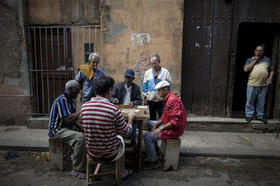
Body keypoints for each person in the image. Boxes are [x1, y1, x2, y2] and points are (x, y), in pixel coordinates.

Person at [80, 76, 135, 178]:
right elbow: (127, 132)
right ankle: (122, 172)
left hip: (91, 151)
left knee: (103, 137)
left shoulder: (84, 107)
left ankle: (97, 171)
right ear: (109, 90)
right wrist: (130, 119)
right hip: (109, 154)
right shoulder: (114, 109)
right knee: (121, 140)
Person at [143, 80, 186, 169]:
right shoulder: (168, 98)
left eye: (159, 90)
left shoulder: (172, 100)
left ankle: (153, 161)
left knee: (147, 136)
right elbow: (164, 115)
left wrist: (161, 129)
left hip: (173, 130)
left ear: (165, 89)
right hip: (168, 125)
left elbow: (175, 122)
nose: (157, 93)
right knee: (149, 123)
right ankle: (154, 149)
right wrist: (156, 125)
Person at [48, 80, 86, 179]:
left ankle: (79, 160)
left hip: (66, 127)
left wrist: (80, 126)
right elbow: (68, 118)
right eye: (76, 90)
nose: (78, 93)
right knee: (80, 138)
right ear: (69, 90)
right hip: (57, 130)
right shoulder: (62, 100)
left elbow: (73, 119)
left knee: (85, 131)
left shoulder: (69, 99)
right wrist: (81, 111)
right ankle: (77, 169)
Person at [244, 45, 274, 124]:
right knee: (250, 101)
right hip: (252, 84)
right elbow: (246, 69)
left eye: (260, 50)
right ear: (255, 51)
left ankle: (260, 116)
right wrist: (255, 61)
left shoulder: (267, 59)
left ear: (263, 52)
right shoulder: (250, 60)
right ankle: (249, 115)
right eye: (257, 50)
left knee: (261, 101)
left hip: (264, 85)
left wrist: (270, 78)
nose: (258, 52)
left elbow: (272, 69)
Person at [112, 69, 142, 145]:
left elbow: (139, 100)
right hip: (120, 109)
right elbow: (111, 97)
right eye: (126, 77)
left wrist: (133, 102)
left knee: (134, 121)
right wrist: (114, 99)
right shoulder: (118, 86)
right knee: (116, 122)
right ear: (124, 77)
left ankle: (133, 141)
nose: (128, 80)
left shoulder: (136, 88)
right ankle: (117, 140)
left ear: (133, 79)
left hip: (131, 108)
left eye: (130, 78)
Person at [143, 54, 172, 120]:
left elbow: (169, 85)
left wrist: (167, 97)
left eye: (155, 63)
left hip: (161, 99)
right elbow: (145, 86)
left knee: (163, 117)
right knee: (151, 118)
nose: (153, 65)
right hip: (151, 99)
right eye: (152, 64)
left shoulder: (165, 72)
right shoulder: (147, 73)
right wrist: (145, 96)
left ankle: (163, 129)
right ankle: (152, 130)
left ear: (159, 61)